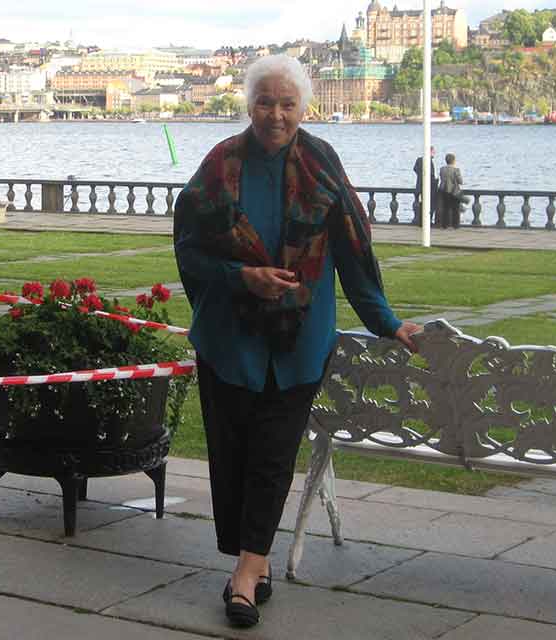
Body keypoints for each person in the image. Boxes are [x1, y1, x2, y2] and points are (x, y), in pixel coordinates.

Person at [173, 54, 421, 629]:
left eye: (288, 104)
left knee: (274, 455)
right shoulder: (219, 167)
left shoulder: (321, 164)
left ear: (304, 108)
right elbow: (189, 250)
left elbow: (355, 254)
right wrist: (243, 278)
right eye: (266, 102)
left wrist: (387, 321)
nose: (276, 115)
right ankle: (252, 564)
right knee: (232, 458)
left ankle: (245, 571)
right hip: (230, 341)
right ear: (249, 105)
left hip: (299, 342)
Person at [438, 153, 463, 229]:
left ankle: (444, 224)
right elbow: (460, 181)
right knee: (456, 209)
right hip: (454, 191)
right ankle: (455, 225)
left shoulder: (442, 169)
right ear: (453, 161)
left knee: (445, 208)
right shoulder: (456, 170)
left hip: (444, 190)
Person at [413, 146, 437, 225]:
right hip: (429, 187)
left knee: (421, 204)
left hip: (420, 186)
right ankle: (427, 221)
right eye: (433, 152)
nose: (434, 153)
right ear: (429, 152)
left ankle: (420, 220)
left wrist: (420, 175)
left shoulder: (419, 160)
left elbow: (415, 169)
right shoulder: (429, 161)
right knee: (430, 205)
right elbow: (431, 175)